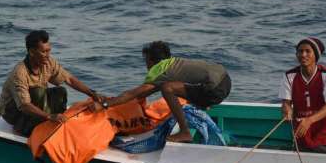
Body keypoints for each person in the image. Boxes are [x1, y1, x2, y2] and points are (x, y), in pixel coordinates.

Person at [93, 41, 231, 143]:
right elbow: (145, 93)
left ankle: (184, 132)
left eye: (146, 61)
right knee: (174, 87)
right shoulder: (173, 64)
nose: (147, 66)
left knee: (167, 88)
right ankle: (204, 103)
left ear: (152, 61)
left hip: (213, 90)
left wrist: (106, 104)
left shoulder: (158, 71)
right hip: (225, 80)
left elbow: (134, 94)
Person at [0, 30, 103, 136]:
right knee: (38, 92)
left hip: (35, 103)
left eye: (49, 51)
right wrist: (49, 116)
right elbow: (24, 105)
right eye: (43, 52)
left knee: (60, 91)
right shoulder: (20, 72)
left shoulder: (48, 62)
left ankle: (54, 124)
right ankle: (21, 128)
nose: (47, 55)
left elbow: (69, 79)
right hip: (13, 111)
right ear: (32, 52)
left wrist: (92, 94)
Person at [279, 37, 326, 154]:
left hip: (324, 137)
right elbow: (286, 103)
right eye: (300, 51)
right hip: (301, 136)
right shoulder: (289, 76)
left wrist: (309, 120)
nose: (303, 55)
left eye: (308, 51)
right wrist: (287, 110)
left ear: (315, 55)